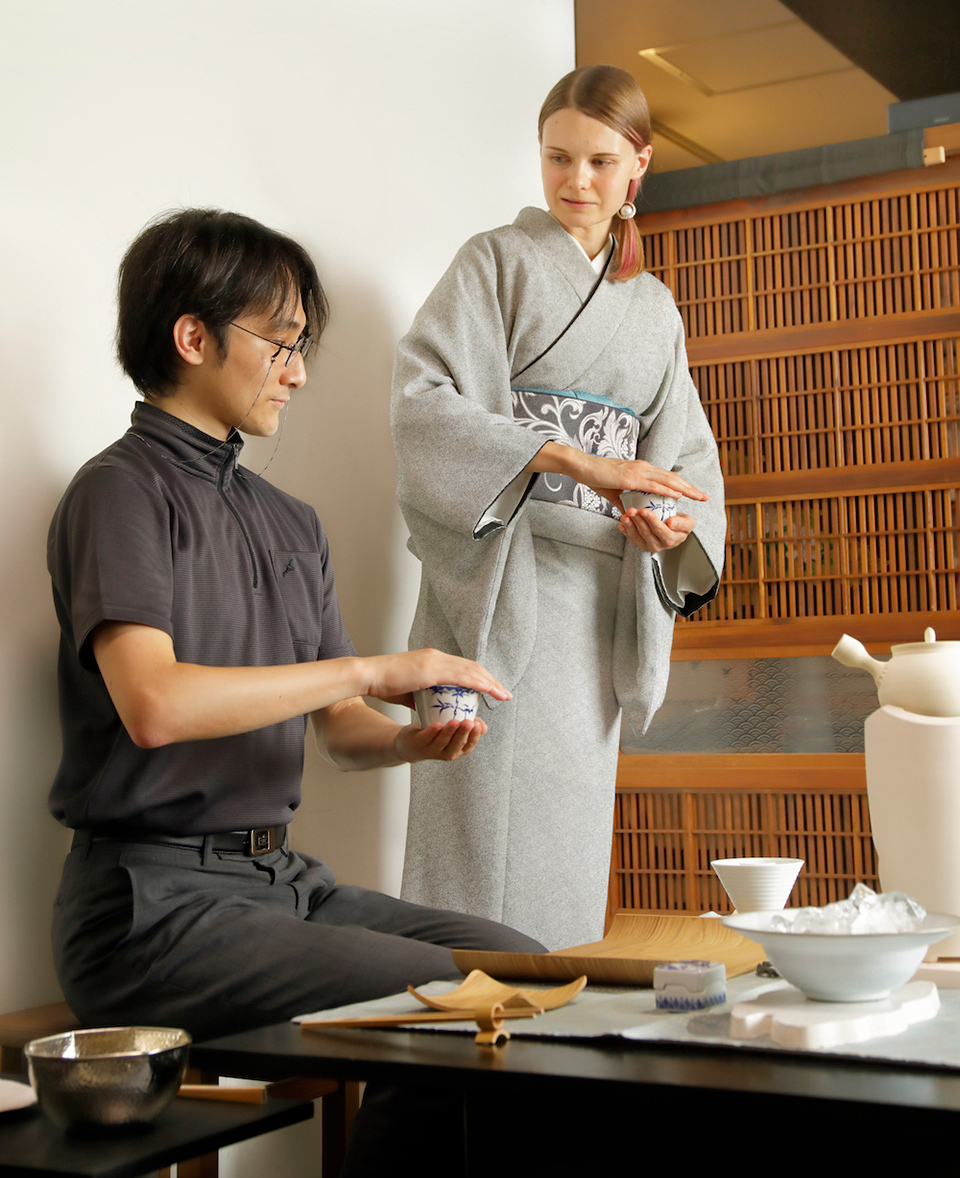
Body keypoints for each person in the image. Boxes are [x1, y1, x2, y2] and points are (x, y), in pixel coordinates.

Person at [47, 208, 545, 1056]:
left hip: (283, 882)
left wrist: (406, 743)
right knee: (454, 1002)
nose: (299, 374)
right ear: (192, 337)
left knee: (526, 966)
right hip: (150, 908)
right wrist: (366, 670)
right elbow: (155, 706)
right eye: (281, 344)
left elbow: (340, 735)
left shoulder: (291, 522)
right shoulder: (117, 492)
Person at [392, 65, 725, 951]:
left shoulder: (653, 312)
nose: (576, 181)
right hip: (498, 586)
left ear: (639, 166)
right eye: (557, 158)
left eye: (601, 162)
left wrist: (669, 528)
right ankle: (450, 1051)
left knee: (565, 854)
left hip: (594, 609)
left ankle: (550, 1043)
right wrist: (571, 459)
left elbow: (686, 458)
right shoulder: (493, 264)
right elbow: (423, 402)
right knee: (472, 844)